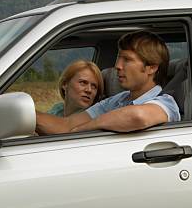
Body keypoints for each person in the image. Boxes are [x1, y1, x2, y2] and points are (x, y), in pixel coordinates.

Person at [35, 31, 180, 135]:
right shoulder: (118, 100)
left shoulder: (165, 103)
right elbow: (67, 126)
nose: (118, 65)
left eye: (127, 60)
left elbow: (138, 117)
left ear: (152, 67)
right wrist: (26, 116)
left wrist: (86, 127)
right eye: (119, 58)